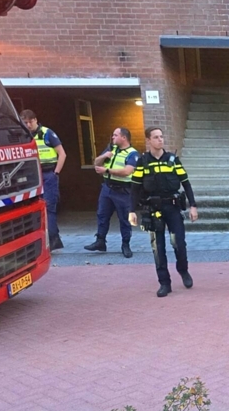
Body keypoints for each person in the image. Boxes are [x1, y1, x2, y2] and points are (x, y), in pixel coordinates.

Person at [128, 127, 198, 297]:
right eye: (156, 137)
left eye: (161, 136)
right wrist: (132, 211)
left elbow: (186, 183)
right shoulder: (143, 162)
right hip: (153, 210)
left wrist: (193, 206)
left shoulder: (172, 160)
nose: (160, 140)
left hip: (173, 207)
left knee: (178, 243)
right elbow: (135, 188)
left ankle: (183, 270)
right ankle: (164, 283)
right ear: (148, 140)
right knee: (158, 248)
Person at [85, 127, 139, 257]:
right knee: (102, 215)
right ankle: (100, 241)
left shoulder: (133, 154)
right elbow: (96, 163)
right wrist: (104, 156)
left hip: (123, 190)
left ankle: (125, 244)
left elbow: (127, 171)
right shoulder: (111, 149)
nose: (112, 137)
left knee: (125, 219)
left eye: (115, 135)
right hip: (107, 188)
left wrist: (107, 171)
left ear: (124, 138)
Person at [21, 109, 66, 251]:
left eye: (30, 121)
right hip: (34, 177)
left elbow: (62, 154)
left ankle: (54, 239)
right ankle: (46, 239)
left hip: (48, 174)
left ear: (35, 120)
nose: (28, 125)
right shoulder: (24, 135)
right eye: (25, 122)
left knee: (49, 208)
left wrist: (56, 173)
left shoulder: (47, 133)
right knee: (35, 208)